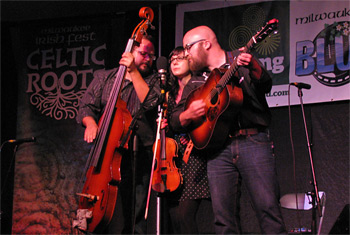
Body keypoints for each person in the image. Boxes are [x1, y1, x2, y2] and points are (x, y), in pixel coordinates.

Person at [169, 25, 287, 234]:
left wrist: (254, 67)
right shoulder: (195, 81)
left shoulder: (240, 59)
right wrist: (187, 115)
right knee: (223, 220)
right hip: (217, 150)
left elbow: (265, 85)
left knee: (268, 209)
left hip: (253, 142)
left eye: (188, 48)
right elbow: (175, 119)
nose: (185, 54)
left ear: (206, 44)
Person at [76, 35, 160, 234]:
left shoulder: (155, 79)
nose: (148, 59)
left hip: (139, 155)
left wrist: (133, 71)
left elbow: (149, 103)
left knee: (135, 217)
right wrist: (90, 123)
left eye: (151, 56)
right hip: (107, 154)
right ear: (130, 52)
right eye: (143, 54)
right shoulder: (105, 77)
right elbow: (85, 107)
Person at [164, 47, 211, 234]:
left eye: (180, 58)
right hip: (172, 161)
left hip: (195, 157)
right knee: (174, 216)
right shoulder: (168, 93)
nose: (174, 62)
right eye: (172, 59)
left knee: (185, 215)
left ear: (191, 62)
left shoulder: (201, 84)